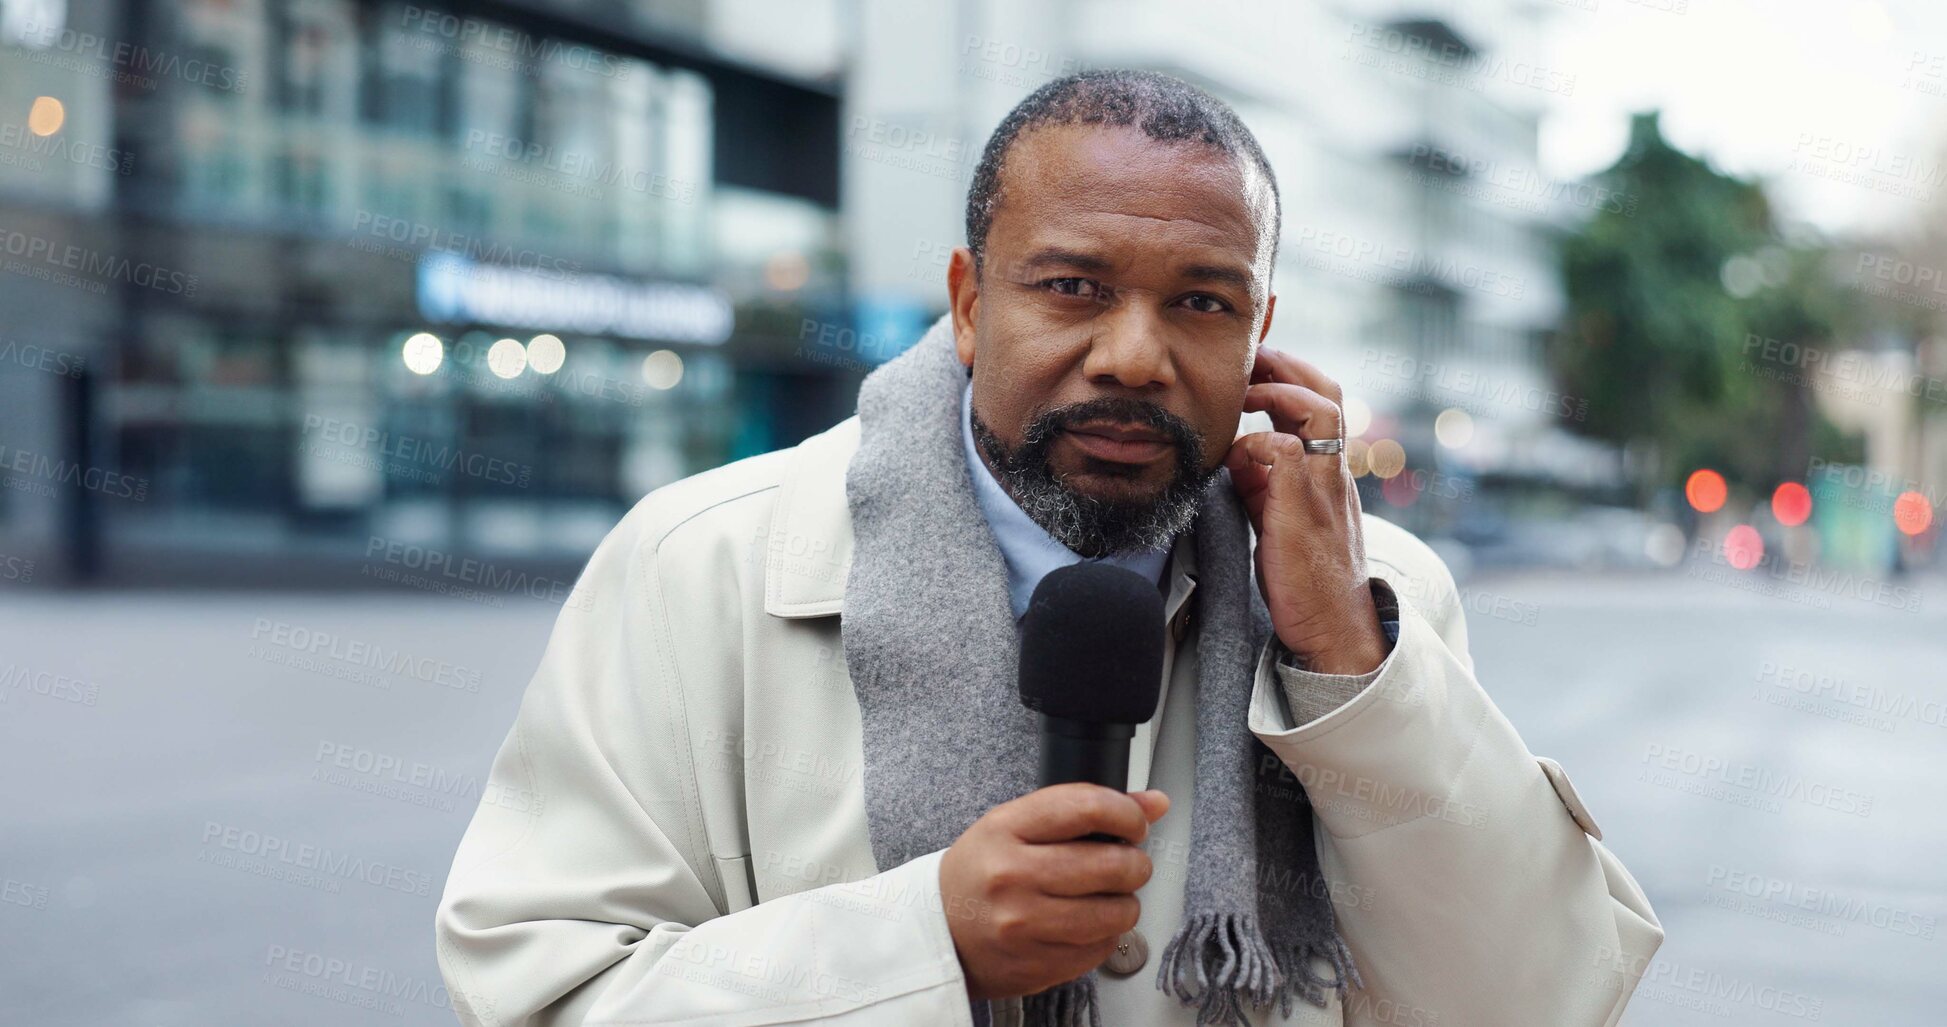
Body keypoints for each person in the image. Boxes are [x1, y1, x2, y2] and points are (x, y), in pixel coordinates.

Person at [434, 69, 1662, 1027]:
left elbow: (1531, 997)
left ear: (1261, 336)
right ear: (971, 305)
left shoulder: (1374, 607)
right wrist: (925, 943)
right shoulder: (698, 566)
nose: (1135, 354)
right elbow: (538, 995)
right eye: (1072, 286)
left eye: (1201, 301)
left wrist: (1349, 666)